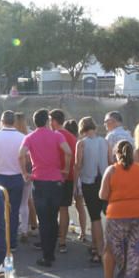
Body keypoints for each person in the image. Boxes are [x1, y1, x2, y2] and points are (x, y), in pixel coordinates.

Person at [95, 140, 139, 278]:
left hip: (117, 215)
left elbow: (102, 195)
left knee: (111, 249)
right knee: (138, 250)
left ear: (116, 153)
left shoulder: (111, 170)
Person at [19, 109, 71, 267]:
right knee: (53, 217)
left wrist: (24, 173)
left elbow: (20, 154)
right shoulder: (57, 135)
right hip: (55, 180)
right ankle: (51, 252)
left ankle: (46, 255)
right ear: (47, 121)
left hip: (39, 181)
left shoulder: (30, 137)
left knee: (43, 219)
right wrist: (66, 169)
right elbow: (68, 152)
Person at [0, 110, 26, 252]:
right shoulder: (22, 137)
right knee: (14, 211)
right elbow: (26, 157)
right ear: (14, 121)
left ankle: (1, 240)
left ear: (2, 121)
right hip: (17, 176)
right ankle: (13, 242)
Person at [75, 116, 110, 264]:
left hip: (89, 181)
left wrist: (75, 186)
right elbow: (110, 161)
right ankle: (97, 246)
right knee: (103, 214)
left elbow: (78, 165)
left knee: (94, 217)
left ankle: (100, 250)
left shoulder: (81, 143)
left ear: (82, 129)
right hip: (104, 180)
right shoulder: (105, 141)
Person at [49, 109, 78, 253]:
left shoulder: (55, 135)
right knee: (64, 208)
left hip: (56, 176)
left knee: (53, 209)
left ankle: (52, 239)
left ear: (53, 121)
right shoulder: (72, 137)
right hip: (70, 176)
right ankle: (62, 241)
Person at [64, 118, 87, 243]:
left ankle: (63, 231)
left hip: (69, 176)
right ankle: (83, 232)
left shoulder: (65, 142)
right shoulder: (80, 142)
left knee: (63, 207)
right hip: (80, 178)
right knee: (80, 206)